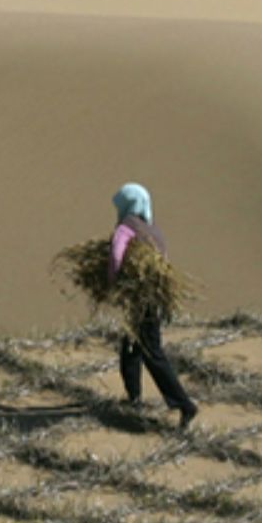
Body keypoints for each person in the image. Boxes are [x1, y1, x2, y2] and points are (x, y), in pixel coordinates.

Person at [108, 183, 196, 427]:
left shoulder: (126, 227)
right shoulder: (153, 231)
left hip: (140, 299)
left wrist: (113, 282)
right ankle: (133, 398)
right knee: (131, 348)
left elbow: (116, 255)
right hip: (153, 298)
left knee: (152, 353)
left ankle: (184, 404)